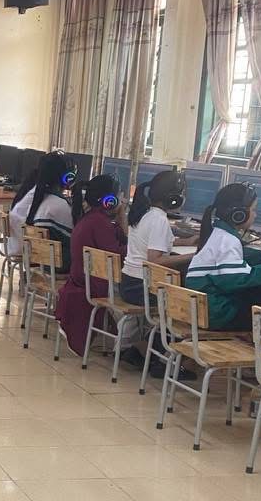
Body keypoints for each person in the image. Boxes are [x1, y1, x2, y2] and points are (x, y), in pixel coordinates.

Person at [185, 183, 261, 330]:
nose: (255, 215)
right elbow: (238, 279)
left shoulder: (217, 231)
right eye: (253, 210)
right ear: (239, 214)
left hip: (205, 309)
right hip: (218, 314)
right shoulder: (228, 240)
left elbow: (240, 255)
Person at [54, 175, 128, 357]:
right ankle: (129, 345)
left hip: (82, 278)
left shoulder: (91, 218)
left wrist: (120, 218)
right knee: (140, 291)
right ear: (110, 200)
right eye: (120, 195)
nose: (123, 199)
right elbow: (118, 255)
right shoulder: (100, 223)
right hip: (95, 283)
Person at [120, 169, 197, 306]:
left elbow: (154, 242)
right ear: (173, 198)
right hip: (143, 289)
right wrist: (193, 256)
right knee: (190, 296)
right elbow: (154, 260)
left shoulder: (144, 213)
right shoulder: (159, 219)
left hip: (129, 283)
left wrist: (187, 242)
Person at [7, 151, 75, 258]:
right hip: (33, 254)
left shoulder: (33, 191)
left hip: (22, 248)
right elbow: (75, 234)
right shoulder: (58, 205)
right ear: (67, 177)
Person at [26, 152, 78, 273]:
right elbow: (77, 237)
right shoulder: (60, 206)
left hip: (44, 263)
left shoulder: (36, 202)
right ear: (67, 177)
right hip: (59, 265)